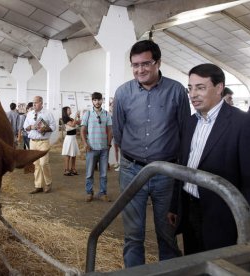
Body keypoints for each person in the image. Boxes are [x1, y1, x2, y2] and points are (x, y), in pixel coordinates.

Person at [112, 40, 190, 267]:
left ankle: (169, 272)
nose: (140, 70)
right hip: (131, 170)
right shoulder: (123, 93)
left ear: (158, 62)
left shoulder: (176, 91)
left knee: (167, 233)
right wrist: (126, 160)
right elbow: (118, 131)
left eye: (145, 63)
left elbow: (184, 132)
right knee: (133, 234)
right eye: (135, 65)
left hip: (166, 172)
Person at [168, 63, 250, 255]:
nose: (193, 94)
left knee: (220, 263)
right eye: (190, 88)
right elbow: (182, 165)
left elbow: (248, 179)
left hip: (222, 213)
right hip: (189, 209)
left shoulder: (242, 123)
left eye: (200, 87)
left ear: (219, 88)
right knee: (194, 260)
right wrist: (175, 205)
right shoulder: (189, 122)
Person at [81, 92, 112, 202]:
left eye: (99, 100)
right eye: (95, 100)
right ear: (92, 101)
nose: (97, 102)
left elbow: (109, 130)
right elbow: (83, 130)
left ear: (102, 101)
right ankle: (89, 192)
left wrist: (108, 144)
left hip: (104, 149)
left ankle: (102, 193)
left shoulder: (107, 114)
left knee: (103, 173)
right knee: (89, 173)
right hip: (91, 149)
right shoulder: (88, 114)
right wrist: (85, 144)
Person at [23, 96, 56, 194]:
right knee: (36, 164)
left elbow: (54, 126)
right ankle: (38, 186)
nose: (34, 105)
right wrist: (31, 127)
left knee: (43, 163)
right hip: (32, 142)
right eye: (33, 103)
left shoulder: (48, 113)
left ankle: (48, 183)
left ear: (41, 103)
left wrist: (45, 129)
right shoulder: (29, 114)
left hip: (43, 141)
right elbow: (25, 127)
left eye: (36, 103)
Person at [61, 106, 81, 176]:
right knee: (68, 154)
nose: (70, 110)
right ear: (65, 111)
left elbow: (79, 123)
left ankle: (73, 168)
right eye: (69, 110)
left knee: (74, 154)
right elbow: (72, 125)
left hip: (73, 138)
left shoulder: (71, 118)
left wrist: (78, 116)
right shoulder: (65, 118)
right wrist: (75, 117)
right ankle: (66, 169)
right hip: (69, 138)